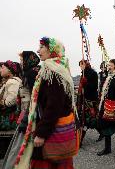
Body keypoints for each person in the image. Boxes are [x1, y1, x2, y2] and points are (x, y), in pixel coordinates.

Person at [15, 37, 76, 169]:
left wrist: (42, 133)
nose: (38, 50)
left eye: (42, 47)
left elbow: (53, 106)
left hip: (52, 130)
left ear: (52, 50)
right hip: (52, 127)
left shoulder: (53, 73)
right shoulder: (53, 69)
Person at [2, 51, 40, 169]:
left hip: (29, 114)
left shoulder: (31, 74)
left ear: (28, 60)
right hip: (29, 112)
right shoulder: (33, 72)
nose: (21, 63)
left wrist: (27, 117)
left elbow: (35, 98)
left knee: (20, 146)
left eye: (22, 60)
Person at [0, 61, 22, 158]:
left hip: (8, 118)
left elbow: (10, 101)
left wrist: (2, 102)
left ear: (10, 70)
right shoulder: (10, 81)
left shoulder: (12, 82)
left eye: (3, 67)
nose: (0, 69)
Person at [76, 60, 100, 146]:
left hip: (90, 100)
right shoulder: (83, 73)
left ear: (86, 64)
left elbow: (94, 87)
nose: (81, 66)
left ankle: (80, 141)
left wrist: (86, 83)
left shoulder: (93, 73)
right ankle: (102, 132)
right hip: (83, 99)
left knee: (87, 120)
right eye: (80, 65)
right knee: (85, 119)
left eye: (82, 64)